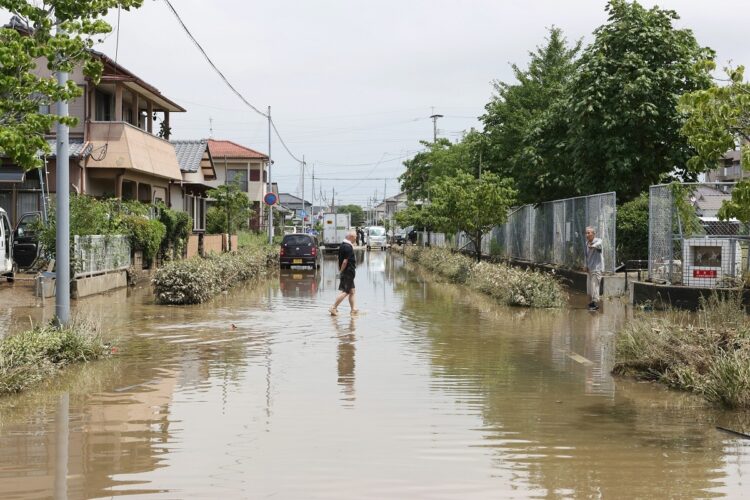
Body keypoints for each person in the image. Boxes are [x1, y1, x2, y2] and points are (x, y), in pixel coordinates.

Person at [330, 231, 358, 316]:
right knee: (346, 291)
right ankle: (333, 307)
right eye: (355, 237)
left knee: (352, 291)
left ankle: (353, 310)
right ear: (350, 237)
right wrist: (341, 271)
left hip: (348, 271)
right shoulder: (348, 247)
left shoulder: (342, 245)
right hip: (348, 271)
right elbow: (345, 261)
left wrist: (340, 269)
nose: (356, 239)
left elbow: (339, 259)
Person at [584, 226, 604, 311]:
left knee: (595, 287)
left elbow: (600, 242)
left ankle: (595, 304)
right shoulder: (586, 243)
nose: (587, 234)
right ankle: (591, 303)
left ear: (593, 234)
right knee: (589, 288)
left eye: (589, 233)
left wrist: (594, 246)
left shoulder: (597, 242)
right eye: (586, 233)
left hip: (597, 268)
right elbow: (586, 256)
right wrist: (585, 265)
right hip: (590, 268)